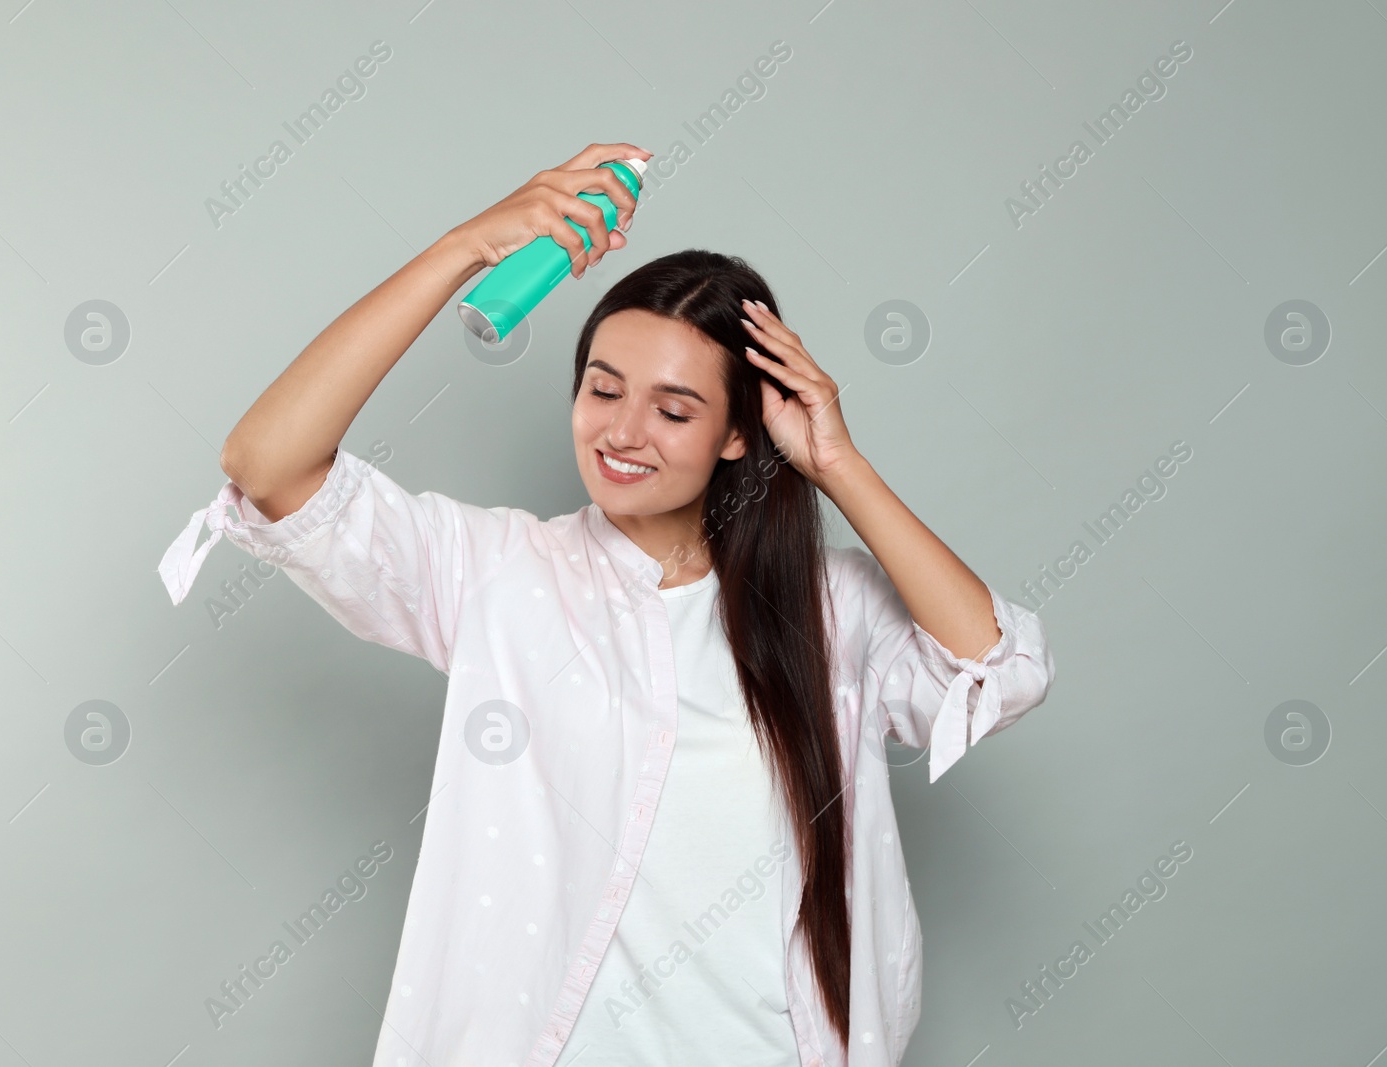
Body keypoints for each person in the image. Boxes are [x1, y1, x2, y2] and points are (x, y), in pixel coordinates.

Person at [157, 142, 1055, 1067]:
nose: (623, 432)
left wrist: (839, 465)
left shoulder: (831, 608)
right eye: (602, 389)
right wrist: (467, 246)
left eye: (673, 410)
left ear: (738, 433)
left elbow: (1000, 669)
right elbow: (267, 465)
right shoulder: (499, 572)